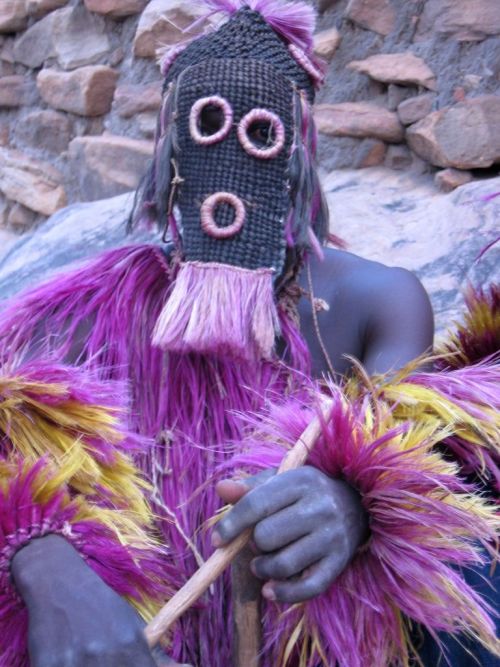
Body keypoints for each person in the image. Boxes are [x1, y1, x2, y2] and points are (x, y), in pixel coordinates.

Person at [0, 2, 497, 666]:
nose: (228, 172)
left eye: (259, 133)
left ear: (298, 155)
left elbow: (415, 454)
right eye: (205, 127)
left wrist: (356, 498)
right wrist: (39, 558)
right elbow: (21, 443)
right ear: (168, 159)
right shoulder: (84, 311)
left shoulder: (377, 301)